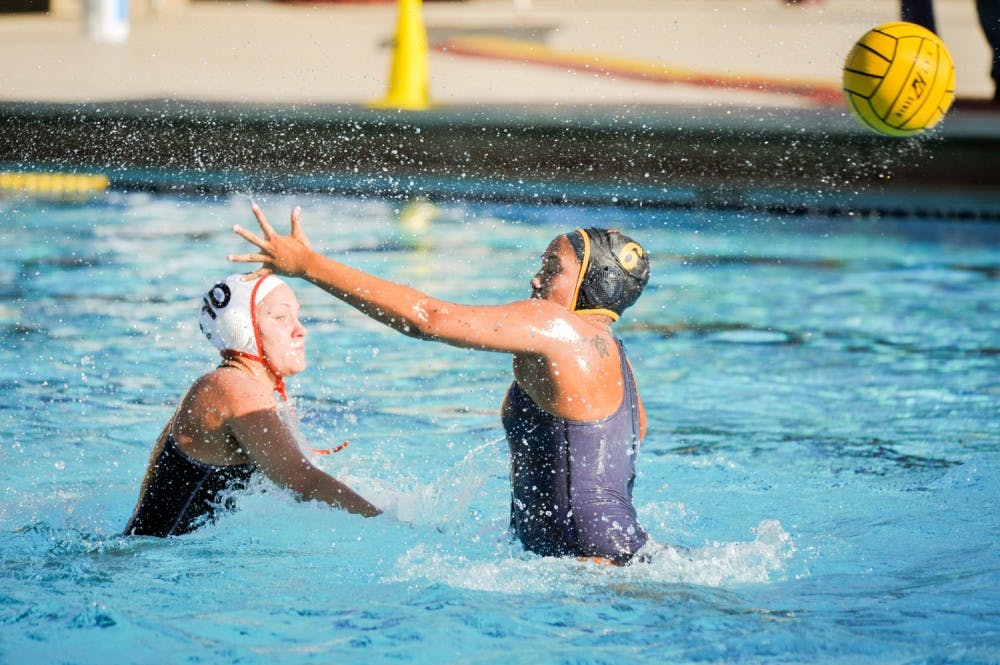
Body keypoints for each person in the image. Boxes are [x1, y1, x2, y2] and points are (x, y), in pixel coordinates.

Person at [230, 204, 651, 565]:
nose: (536, 281)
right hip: (612, 555)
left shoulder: (559, 326)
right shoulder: (620, 366)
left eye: (552, 270)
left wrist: (307, 265)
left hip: (589, 567)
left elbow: (429, 318)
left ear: (590, 285)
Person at [124, 272, 381, 537]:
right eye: (281, 318)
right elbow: (303, 483)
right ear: (242, 328)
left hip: (159, 562)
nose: (300, 330)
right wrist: (384, 523)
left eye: (296, 316)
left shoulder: (230, 385)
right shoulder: (231, 388)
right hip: (148, 567)